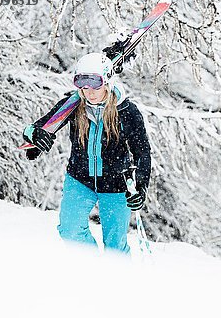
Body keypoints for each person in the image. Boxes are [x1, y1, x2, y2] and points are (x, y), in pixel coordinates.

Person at [22, 52, 151, 254]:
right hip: (80, 179)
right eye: (83, 86)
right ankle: (92, 271)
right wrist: (33, 136)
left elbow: (143, 152)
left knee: (115, 247)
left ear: (107, 82)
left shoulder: (127, 111)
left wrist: (140, 185)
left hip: (116, 185)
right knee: (70, 231)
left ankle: (121, 282)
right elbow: (40, 126)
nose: (88, 92)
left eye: (95, 86)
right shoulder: (73, 105)